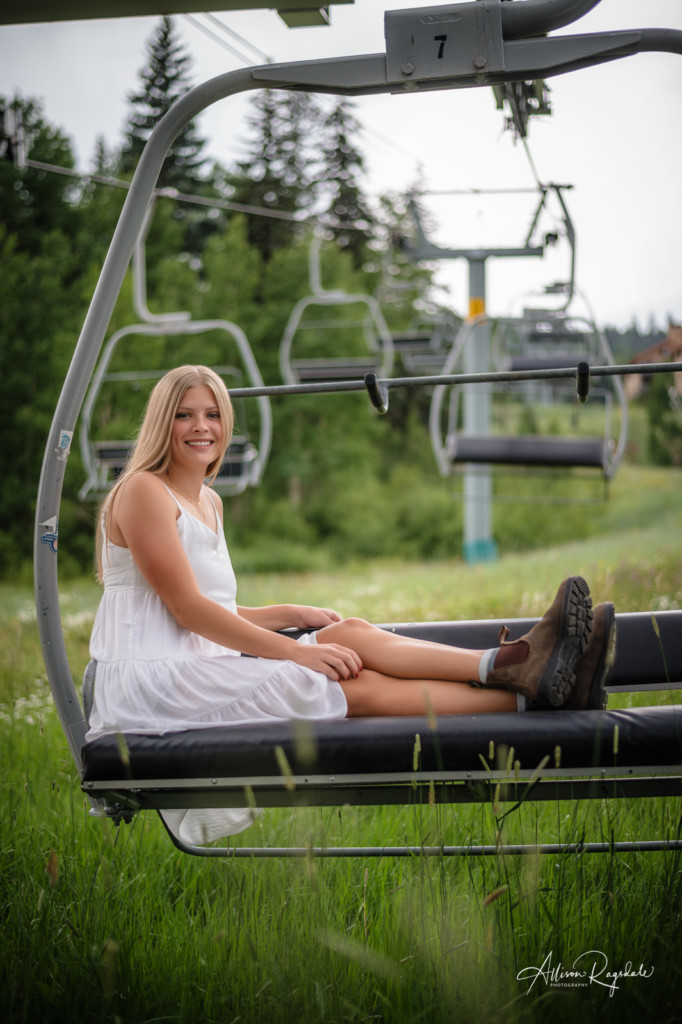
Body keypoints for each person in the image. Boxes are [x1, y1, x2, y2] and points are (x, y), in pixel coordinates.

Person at [86, 365, 616, 842]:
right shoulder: (142, 491)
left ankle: (514, 666)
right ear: (162, 422)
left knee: (352, 632)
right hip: (152, 686)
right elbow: (186, 611)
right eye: (184, 414)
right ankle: (531, 694)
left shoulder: (208, 500)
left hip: (197, 669)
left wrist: (291, 615)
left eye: (212, 414)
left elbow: (212, 608)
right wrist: (293, 652)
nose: (201, 427)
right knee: (346, 682)